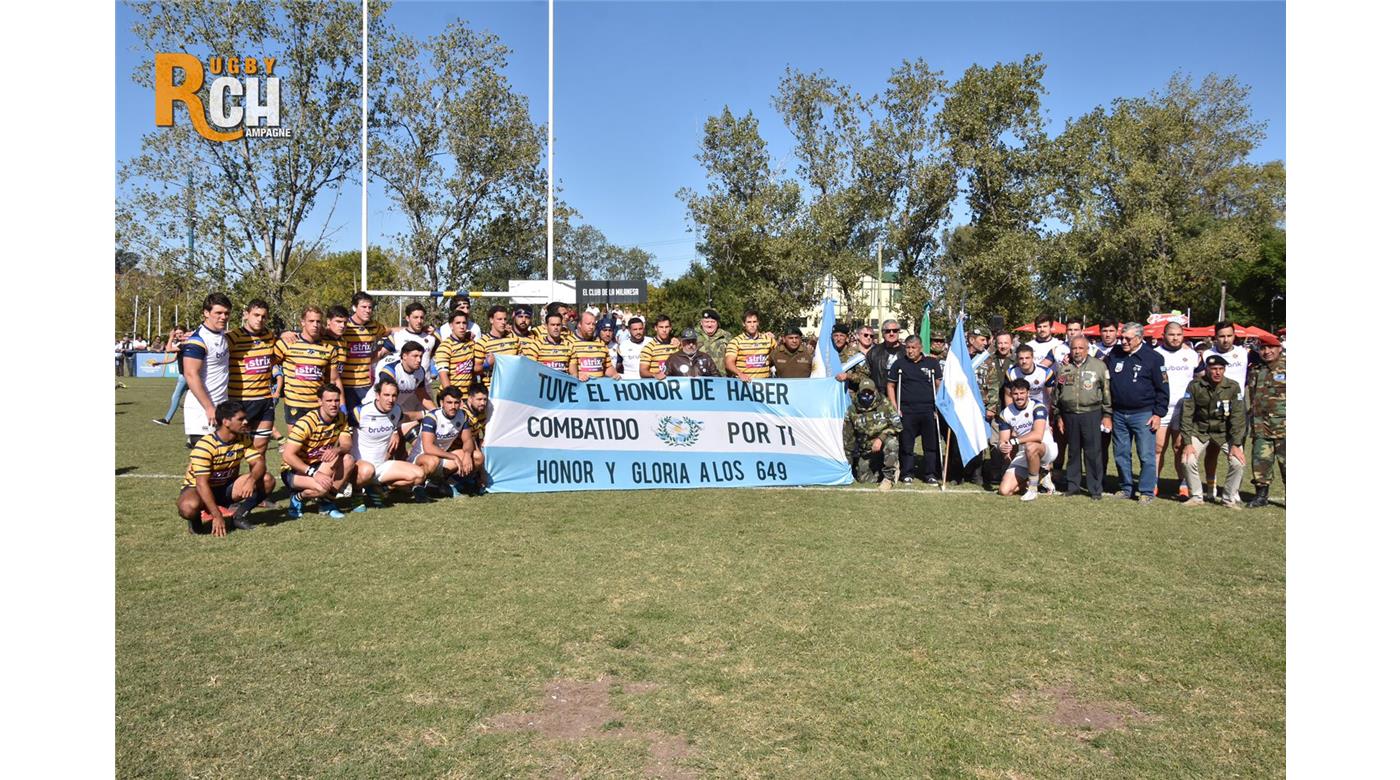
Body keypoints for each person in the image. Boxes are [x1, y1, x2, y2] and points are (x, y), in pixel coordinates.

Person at [176, 400, 272, 535]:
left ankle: (239, 516)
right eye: (241, 419)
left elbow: (259, 463)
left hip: (225, 488)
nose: (246, 422)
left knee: (267, 480)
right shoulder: (205, 446)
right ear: (226, 422)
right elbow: (201, 484)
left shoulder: (243, 439)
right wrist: (217, 515)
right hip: (199, 489)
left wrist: (251, 480)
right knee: (188, 507)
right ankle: (195, 521)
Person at [1106, 323, 1169, 502]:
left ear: (1140, 338)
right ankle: (1126, 488)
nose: (1123, 342)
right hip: (1118, 413)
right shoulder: (1114, 354)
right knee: (1121, 454)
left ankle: (1147, 491)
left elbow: (1163, 388)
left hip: (1144, 414)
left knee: (1146, 454)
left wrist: (1158, 413)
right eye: (1122, 338)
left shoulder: (1154, 358)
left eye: (1128, 339)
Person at [279, 384, 356, 519]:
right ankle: (297, 498)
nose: (334, 404)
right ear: (319, 401)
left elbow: (347, 444)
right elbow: (287, 455)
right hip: (294, 470)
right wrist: (313, 473)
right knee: (322, 488)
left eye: (336, 400)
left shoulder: (341, 418)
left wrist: (337, 449)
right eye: (329, 401)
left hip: (319, 465)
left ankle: (326, 503)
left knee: (348, 459)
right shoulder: (306, 423)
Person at [1180, 355, 1247, 508]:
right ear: (1207, 370)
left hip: (1224, 433)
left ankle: (1228, 498)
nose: (1217, 372)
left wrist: (1236, 443)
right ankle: (1196, 496)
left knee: (1238, 463)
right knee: (1187, 460)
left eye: (1221, 369)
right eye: (1213, 369)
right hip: (1200, 430)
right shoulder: (1195, 385)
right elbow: (1187, 414)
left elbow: (1238, 417)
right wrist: (1187, 442)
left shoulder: (1233, 387)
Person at [349, 378, 425, 507]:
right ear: (377, 395)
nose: (390, 399)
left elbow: (405, 418)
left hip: (382, 467)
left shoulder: (396, 410)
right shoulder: (360, 412)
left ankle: (380, 488)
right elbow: (342, 433)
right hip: (361, 467)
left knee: (419, 475)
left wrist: (396, 432)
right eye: (386, 395)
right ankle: (357, 495)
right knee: (367, 470)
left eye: (394, 395)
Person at [1055, 336, 1112, 499]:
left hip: (1092, 413)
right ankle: (1073, 485)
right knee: (1073, 452)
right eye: (1074, 348)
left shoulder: (1099, 366)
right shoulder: (1064, 368)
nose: (1077, 351)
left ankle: (1095, 488)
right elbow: (1057, 393)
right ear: (1070, 350)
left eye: (1081, 348)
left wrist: (1107, 414)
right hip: (1070, 414)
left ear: (1087, 349)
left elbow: (1107, 392)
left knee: (1093, 452)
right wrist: (1058, 415)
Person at [1201, 320, 1252, 500]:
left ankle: (1234, 489)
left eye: (1229, 336)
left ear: (1234, 336)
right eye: (1221, 336)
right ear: (1215, 337)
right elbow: (1199, 377)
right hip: (1212, 410)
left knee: (1237, 448)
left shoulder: (1244, 354)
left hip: (1236, 409)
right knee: (1212, 450)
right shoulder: (1207, 354)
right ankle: (1211, 487)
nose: (1225, 339)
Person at [223, 299, 279, 458]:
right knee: (232, 448)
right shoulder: (232, 338)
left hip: (264, 400)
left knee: (260, 446)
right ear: (246, 314)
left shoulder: (270, 336)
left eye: (263, 316)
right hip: (239, 400)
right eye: (256, 315)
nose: (260, 319)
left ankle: (256, 482)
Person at [273, 306, 344, 426]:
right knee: (295, 443)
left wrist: (342, 406)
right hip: (295, 404)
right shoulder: (286, 343)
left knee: (317, 444)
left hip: (318, 404)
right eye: (311, 321)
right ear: (302, 322)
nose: (315, 325)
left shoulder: (329, 349)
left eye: (318, 321)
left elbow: (334, 380)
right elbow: (268, 364)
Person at [887, 335, 942, 485]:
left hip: (928, 410)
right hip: (907, 410)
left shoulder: (932, 363)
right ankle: (907, 473)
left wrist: (939, 407)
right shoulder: (899, 364)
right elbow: (891, 386)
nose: (910, 351)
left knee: (931, 445)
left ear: (920, 348)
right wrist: (895, 407)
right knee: (907, 444)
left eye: (913, 348)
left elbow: (939, 385)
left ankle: (930, 473)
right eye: (908, 348)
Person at [1154, 321, 1201, 499]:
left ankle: (1183, 483)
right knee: (1158, 448)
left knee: (1179, 447)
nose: (1175, 338)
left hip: (1184, 409)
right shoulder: (1155, 354)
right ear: (1164, 336)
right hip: (1161, 408)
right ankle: (1153, 483)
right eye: (1171, 334)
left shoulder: (1191, 355)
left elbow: (1201, 378)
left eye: (1179, 335)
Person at [181, 293, 233, 447]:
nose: (223, 317)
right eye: (218, 313)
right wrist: (209, 408)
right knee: (202, 464)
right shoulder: (198, 340)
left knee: (221, 463)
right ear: (206, 313)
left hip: (221, 408)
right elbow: (190, 375)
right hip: (202, 410)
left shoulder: (221, 334)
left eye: (226, 313)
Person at [997, 378, 1058, 501]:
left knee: (1031, 446)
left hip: (1045, 449)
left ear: (1028, 393)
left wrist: (1014, 441)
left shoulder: (1038, 407)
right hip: (1024, 453)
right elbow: (1002, 440)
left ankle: (1033, 489)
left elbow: (1037, 435)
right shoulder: (1006, 413)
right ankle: (1040, 475)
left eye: (1022, 393)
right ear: (1011, 395)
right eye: (1015, 394)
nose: (1019, 397)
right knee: (1004, 491)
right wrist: (1002, 446)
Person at [408, 386, 472, 499]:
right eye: (449, 402)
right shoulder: (432, 417)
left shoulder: (463, 415)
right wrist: (453, 457)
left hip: (442, 457)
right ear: (442, 402)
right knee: (433, 460)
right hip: (421, 458)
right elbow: (429, 448)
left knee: (474, 456)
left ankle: (439, 484)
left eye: (456, 402)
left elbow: (467, 440)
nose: (453, 406)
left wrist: (467, 455)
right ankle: (418, 486)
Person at [1246, 332, 1286, 508]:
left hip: (1284, 427)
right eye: (1263, 348)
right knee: (1260, 463)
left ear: (1279, 349)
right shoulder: (1256, 370)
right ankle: (1261, 496)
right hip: (1260, 426)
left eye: (1270, 347)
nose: (1267, 351)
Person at [975, 331, 1016, 489]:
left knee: (1010, 441)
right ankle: (994, 471)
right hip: (993, 406)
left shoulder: (1017, 361)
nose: (1003, 346)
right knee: (994, 441)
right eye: (1000, 343)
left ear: (1011, 344)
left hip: (1011, 406)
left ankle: (1008, 471)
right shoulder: (988, 360)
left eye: (1006, 343)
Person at [340, 292, 390, 410]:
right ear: (354, 307)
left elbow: (391, 330)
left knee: (365, 421)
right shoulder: (344, 326)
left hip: (366, 385)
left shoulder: (374, 326)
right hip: (346, 386)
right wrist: (288, 333)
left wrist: (415, 328)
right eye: (364, 307)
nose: (368, 310)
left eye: (370, 307)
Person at [378, 340, 436, 436]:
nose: (419, 360)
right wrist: (394, 430)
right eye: (415, 356)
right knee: (390, 448)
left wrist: (436, 412)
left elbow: (421, 394)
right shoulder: (391, 371)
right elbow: (385, 400)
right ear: (404, 356)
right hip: (380, 412)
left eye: (421, 356)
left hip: (395, 410)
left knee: (415, 441)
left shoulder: (420, 371)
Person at [475, 304, 521, 390]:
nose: (503, 322)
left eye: (505, 319)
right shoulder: (482, 342)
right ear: (491, 320)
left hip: (512, 389)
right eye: (499, 319)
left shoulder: (513, 338)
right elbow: (475, 369)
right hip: (492, 391)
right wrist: (487, 364)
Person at [150, 327, 189, 426]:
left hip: (185, 375)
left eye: (181, 333)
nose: (179, 335)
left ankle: (167, 419)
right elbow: (174, 359)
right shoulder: (183, 344)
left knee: (176, 397)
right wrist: (160, 363)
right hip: (187, 375)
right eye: (177, 334)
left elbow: (168, 349)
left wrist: (171, 337)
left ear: (186, 333)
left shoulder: (185, 344)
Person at [457, 383, 491, 494]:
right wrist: (482, 472)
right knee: (478, 457)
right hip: (454, 449)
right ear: (470, 399)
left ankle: (467, 479)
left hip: (467, 446)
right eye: (479, 399)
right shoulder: (463, 413)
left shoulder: (481, 413)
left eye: (485, 399)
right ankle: (457, 481)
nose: (483, 403)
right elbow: (470, 439)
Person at [726, 310, 778, 382]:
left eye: (754, 322)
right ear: (744, 324)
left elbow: (780, 354)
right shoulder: (736, 341)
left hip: (764, 384)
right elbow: (729, 363)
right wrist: (740, 374)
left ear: (758, 323)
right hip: (744, 383)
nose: (752, 325)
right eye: (749, 322)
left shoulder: (769, 340)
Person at [432, 310, 477, 389]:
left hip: (469, 396)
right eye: (458, 323)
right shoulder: (445, 347)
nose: (462, 326)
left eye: (464, 323)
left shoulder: (471, 343)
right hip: (452, 396)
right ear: (451, 326)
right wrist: (451, 396)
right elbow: (443, 375)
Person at [568, 310, 616, 381]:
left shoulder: (601, 343)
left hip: (598, 388)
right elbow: (562, 370)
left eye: (593, 324)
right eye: (588, 324)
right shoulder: (569, 342)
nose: (591, 327)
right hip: (578, 388)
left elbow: (607, 367)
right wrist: (576, 374)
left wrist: (616, 375)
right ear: (579, 324)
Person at [1006, 344, 1055, 408]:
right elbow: (1008, 396)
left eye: (1027, 358)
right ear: (1017, 359)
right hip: (1019, 411)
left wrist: (1050, 414)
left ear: (1032, 358)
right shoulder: (1011, 373)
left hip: (1042, 408)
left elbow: (1052, 398)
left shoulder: (1046, 372)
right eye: (1021, 358)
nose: (1024, 361)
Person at [694, 308, 732, 376]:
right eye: (706, 322)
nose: (709, 325)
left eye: (712, 322)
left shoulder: (726, 336)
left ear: (717, 323)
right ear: (701, 323)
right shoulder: (693, 336)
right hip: (699, 378)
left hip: (722, 379)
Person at [837, 324, 874, 394]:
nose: (869, 338)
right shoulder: (847, 353)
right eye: (865, 335)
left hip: (872, 392)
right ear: (857, 336)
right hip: (852, 393)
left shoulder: (877, 352)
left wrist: (849, 376)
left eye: (871, 336)